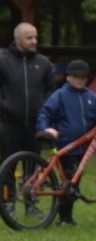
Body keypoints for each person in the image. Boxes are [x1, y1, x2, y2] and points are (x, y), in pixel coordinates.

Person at [36, 60, 96, 226]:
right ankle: (64, 217)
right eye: (76, 76)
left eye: (83, 77)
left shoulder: (89, 95)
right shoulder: (60, 95)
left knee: (73, 181)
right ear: (68, 77)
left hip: (82, 146)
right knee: (70, 181)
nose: (80, 80)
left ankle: (66, 216)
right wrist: (46, 128)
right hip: (66, 144)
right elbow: (45, 112)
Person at [0, 22, 53, 214]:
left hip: (35, 123)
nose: (34, 41)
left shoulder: (43, 63)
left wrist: (44, 109)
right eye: (29, 37)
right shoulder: (3, 60)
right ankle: (8, 201)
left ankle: (31, 203)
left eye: (36, 37)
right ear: (17, 39)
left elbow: (49, 89)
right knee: (8, 164)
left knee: (34, 164)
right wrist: (5, 107)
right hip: (10, 122)